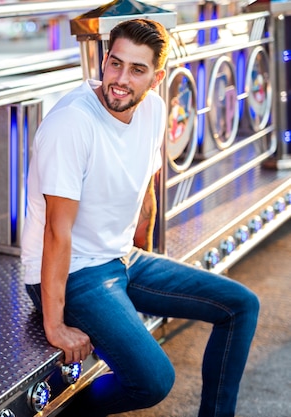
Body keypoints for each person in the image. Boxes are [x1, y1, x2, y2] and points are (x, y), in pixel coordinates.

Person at [20, 19, 259, 417]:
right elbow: (56, 232)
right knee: (152, 381)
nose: (120, 79)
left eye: (136, 70)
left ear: (156, 77)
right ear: (104, 59)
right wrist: (54, 325)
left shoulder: (153, 110)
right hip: (72, 271)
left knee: (241, 305)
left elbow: (145, 187)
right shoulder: (72, 123)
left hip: (122, 259)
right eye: (115, 63)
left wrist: (142, 260)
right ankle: (69, 412)